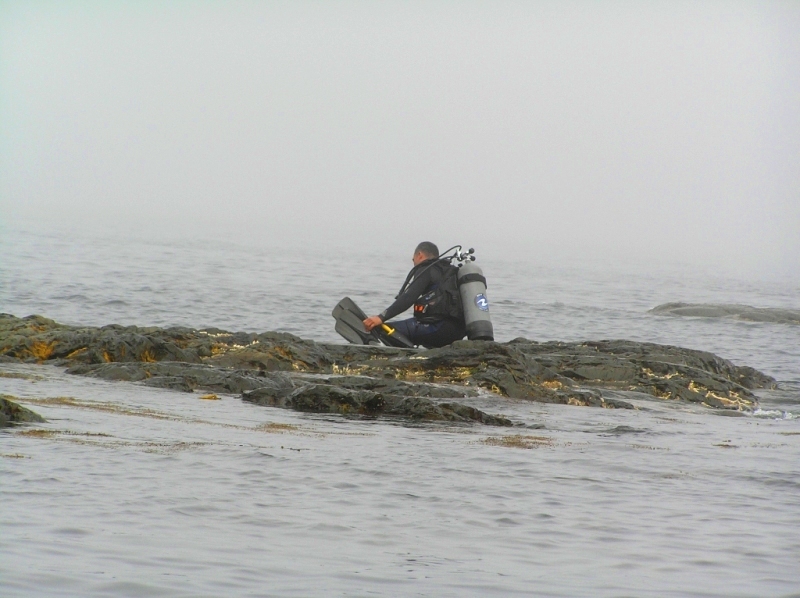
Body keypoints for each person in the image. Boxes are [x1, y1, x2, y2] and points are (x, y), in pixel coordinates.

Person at [363, 242, 466, 348]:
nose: (414, 263)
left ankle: (404, 358)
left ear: (420, 255)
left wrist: (380, 318)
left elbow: (408, 298)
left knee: (384, 331)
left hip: (439, 327)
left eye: (413, 260)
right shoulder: (450, 272)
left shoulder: (426, 269)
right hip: (459, 331)